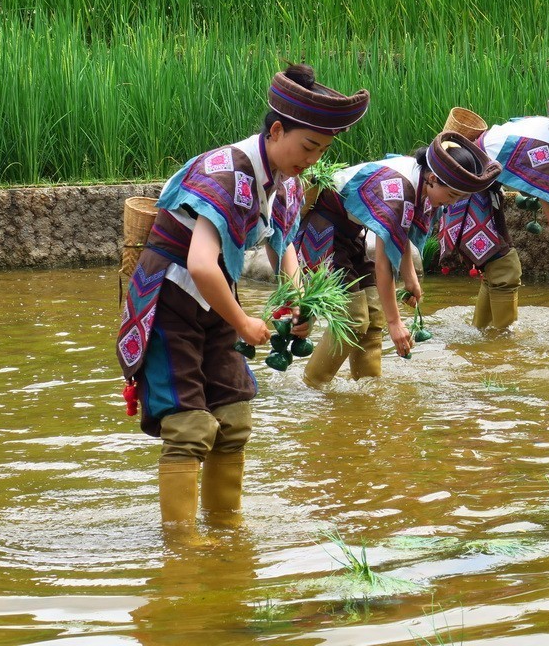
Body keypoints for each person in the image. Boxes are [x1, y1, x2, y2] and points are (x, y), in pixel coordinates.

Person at [116, 64, 368, 537]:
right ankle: (182, 549)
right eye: (307, 147)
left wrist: (298, 301)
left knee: (232, 422)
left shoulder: (285, 180)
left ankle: (226, 537)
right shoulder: (227, 173)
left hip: (214, 302)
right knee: (190, 428)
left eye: (322, 151)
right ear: (276, 130)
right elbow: (201, 264)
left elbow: (285, 243)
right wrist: (245, 324)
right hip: (169, 300)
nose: (311, 159)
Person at [296, 131, 501, 388]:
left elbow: (399, 235)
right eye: (451, 196)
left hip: (348, 236)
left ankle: (367, 389)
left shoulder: (419, 179)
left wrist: (410, 278)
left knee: (373, 315)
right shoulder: (399, 190)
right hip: (322, 235)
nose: (451, 204)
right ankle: (312, 388)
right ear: (433, 179)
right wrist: (396, 323)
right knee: (353, 318)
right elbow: (383, 263)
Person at [438, 86, 549, 330]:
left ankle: (481, 337)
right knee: (505, 269)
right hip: (463, 192)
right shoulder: (542, 152)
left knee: (498, 269)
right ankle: (504, 346)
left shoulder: (544, 124)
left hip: (475, 187)